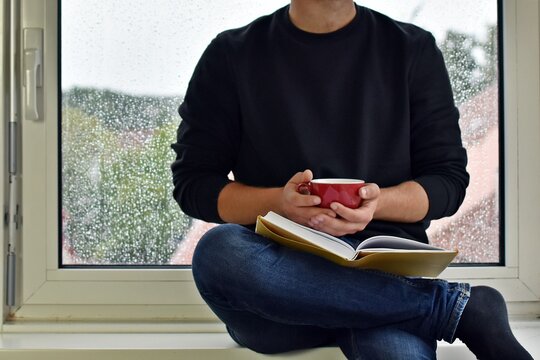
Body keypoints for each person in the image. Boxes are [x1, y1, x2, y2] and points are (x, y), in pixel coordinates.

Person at [171, 1, 533, 359]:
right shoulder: (231, 54)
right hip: (279, 290)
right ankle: (456, 310)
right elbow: (194, 184)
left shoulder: (411, 49)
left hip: (383, 276)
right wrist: (278, 204)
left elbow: (448, 181)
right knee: (220, 252)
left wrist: (377, 203)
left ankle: (415, 307)